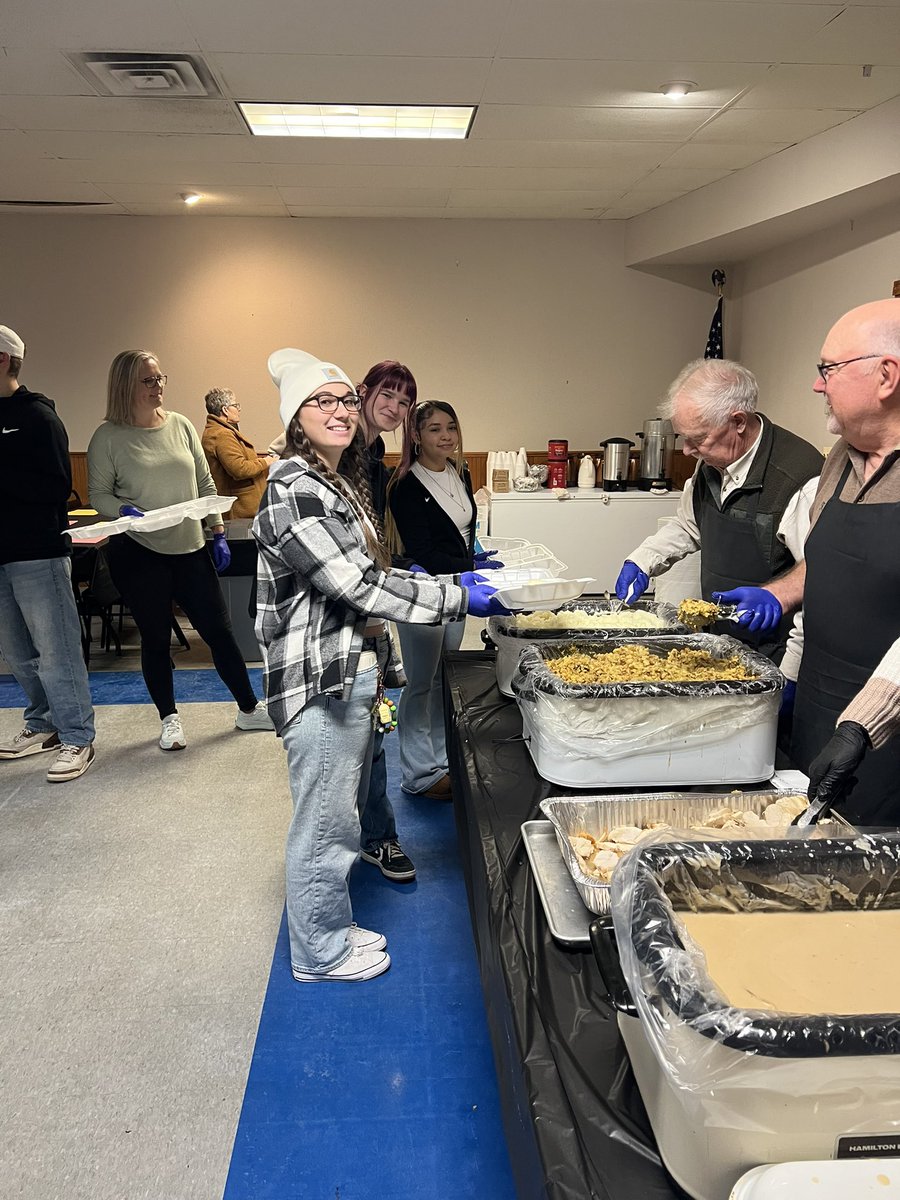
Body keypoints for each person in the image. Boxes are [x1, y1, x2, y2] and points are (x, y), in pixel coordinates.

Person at [253, 347, 507, 982]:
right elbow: (358, 585)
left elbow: (371, 580)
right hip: (318, 674)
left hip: (349, 666)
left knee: (344, 809)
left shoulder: (334, 481)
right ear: (295, 417)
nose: (341, 412)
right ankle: (321, 952)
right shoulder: (295, 488)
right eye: (323, 402)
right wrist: (457, 594)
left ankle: (329, 931)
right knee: (325, 822)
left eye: (344, 400)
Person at [723, 300, 900, 823]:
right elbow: (826, 564)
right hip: (823, 713)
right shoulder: (840, 461)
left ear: (886, 376)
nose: (817, 386)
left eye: (829, 370)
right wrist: (779, 599)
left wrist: (863, 724)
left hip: (883, 729)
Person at [88, 351, 273, 751]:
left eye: (160, 379)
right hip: (139, 550)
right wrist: (122, 509)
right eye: (148, 381)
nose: (158, 387)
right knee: (156, 638)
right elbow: (98, 493)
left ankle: (247, 707)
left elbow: (205, 485)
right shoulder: (107, 437)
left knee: (220, 634)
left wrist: (218, 530)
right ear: (125, 386)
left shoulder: (182, 425)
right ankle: (169, 718)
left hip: (190, 548)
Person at [614, 358, 822, 673]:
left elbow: (819, 582)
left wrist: (790, 677)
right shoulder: (712, 462)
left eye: (697, 439)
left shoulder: (798, 480)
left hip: (776, 656)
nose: (686, 451)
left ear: (738, 421)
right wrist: (642, 560)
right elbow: (690, 524)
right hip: (721, 646)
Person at [387, 400, 501, 800]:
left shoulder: (459, 471)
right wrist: (470, 567)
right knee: (420, 682)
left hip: (456, 589)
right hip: (423, 591)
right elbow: (425, 551)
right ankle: (418, 773)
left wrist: (476, 556)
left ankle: (440, 759)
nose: (446, 436)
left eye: (450, 427)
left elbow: (461, 531)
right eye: (435, 429)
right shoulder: (405, 484)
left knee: (442, 677)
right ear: (416, 436)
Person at [0, 324, 96, 781]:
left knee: (56, 651)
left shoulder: (39, 418)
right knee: (18, 652)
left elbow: (58, 487)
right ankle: (43, 724)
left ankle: (78, 736)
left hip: (37, 553)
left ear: (4, 360)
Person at [201, 387, 276, 519]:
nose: (239, 409)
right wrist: (266, 462)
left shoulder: (220, 431)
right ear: (225, 410)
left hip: (242, 509)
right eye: (235, 405)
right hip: (239, 511)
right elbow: (239, 469)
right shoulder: (222, 435)